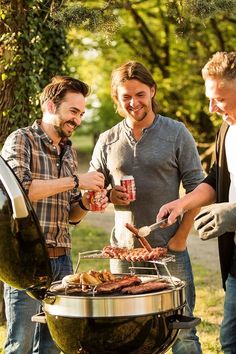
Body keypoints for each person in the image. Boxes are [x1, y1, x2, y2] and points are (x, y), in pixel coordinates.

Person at [89, 61, 204, 354]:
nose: (133, 102)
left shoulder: (176, 133)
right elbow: (94, 190)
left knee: (182, 330)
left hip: (169, 252)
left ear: (152, 91)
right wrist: (110, 196)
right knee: (126, 330)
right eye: (125, 96)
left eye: (139, 94)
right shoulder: (107, 139)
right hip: (123, 253)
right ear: (116, 97)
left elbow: (199, 190)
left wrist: (180, 240)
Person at [1, 76, 107, 354]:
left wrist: (85, 202)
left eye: (82, 113)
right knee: (20, 344)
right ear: (50, 105)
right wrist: (76, 182)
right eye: (73, 111)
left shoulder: (68, 152)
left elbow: (71, 216)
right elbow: (19, 193)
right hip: (26, 262)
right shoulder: (21, 140)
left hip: (62, 263)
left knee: (54, 345)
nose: (78, 120)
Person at [156, 51, 236, 353]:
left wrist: (234, 213)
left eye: (220, 99)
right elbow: (217, 179)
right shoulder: (228, 129)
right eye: (208, 98)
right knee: (230, 342)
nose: (212, 108)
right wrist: (183, 203)